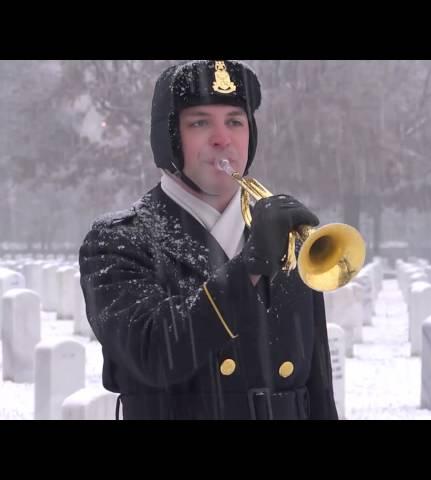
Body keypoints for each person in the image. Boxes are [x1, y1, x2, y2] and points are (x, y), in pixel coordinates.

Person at [79, 60, 339, 420]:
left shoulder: (291, 243)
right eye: (200, 123)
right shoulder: (117, 241)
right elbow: (153, 353)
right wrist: (248, 267)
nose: (222, 138)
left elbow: (318, 390)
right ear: (168, 138)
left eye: (235, 121)